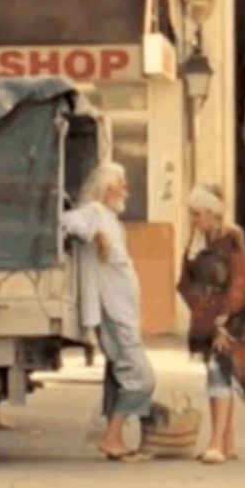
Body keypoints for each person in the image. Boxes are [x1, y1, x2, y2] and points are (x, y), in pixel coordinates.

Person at [61, 162, 156, 461]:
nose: (126, 189)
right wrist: (93, 235)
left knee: (123, 375)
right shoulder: (93, 213)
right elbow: (64, 220)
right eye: (121, 183)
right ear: (106, 188)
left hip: (123, 311)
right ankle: (111, 437)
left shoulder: (111, 219)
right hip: (112, 312)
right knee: (141, 377)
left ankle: (116, 438)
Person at [177, 183, 245, 464]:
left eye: (198, 213)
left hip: (231, 318)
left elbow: (239, 281)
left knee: (219, 372)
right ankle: (227, 441)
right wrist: (203, 311)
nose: (194, 219)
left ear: (213, 213)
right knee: (219, 375)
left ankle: (216, 442)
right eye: (192, 213)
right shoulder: (196, 243)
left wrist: (223, 320)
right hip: (206, 319)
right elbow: (185, 284)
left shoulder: (231, 238)